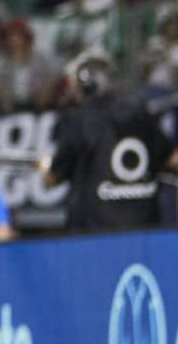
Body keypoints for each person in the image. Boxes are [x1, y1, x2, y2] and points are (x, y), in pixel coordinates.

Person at [41, 55, 176, 231]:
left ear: (85, 86)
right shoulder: (141, 113)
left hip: (96, 231)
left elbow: (52, 178)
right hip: (144, 229)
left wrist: (45, 167)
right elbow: (172, 159)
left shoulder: (79, 119)